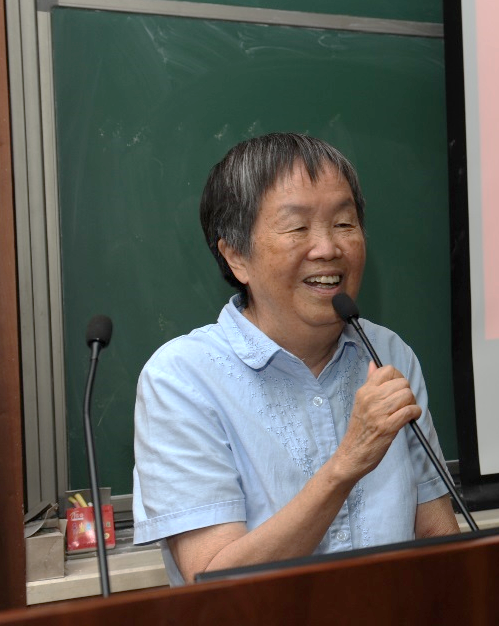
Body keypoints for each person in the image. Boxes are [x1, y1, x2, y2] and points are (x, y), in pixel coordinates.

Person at [132, 133, 458, 585]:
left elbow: (439, 537)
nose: (328, 248)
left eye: (344, 223)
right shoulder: (182, 378)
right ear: (236, 256)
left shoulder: (387, 354)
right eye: (297, 228)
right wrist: (346, 464)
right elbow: (212, 583)